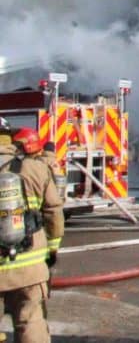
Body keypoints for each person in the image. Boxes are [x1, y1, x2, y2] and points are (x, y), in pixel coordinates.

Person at [0, 119, 63, 341]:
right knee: (31, 323)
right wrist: (52, 250)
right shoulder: (36, 169)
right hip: (29, 267)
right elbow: (53, 212)